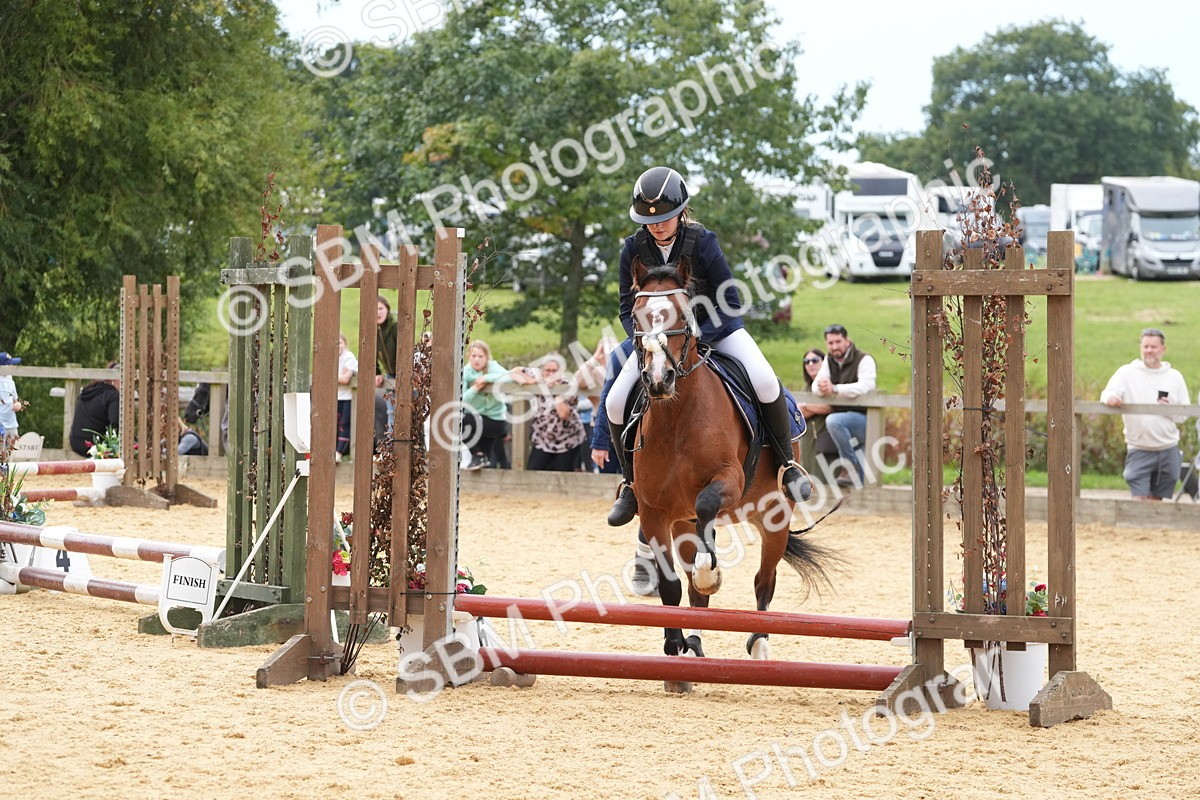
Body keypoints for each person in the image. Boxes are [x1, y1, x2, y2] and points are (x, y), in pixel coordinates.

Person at [604, 166, 809, 526]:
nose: (658, 225)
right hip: (657, 341)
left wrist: (698, 331)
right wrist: (643, 337)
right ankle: (630, 486)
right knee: (615, 400)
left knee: (763, 379)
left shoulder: (703, 242)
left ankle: (787, 465)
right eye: (651, 220)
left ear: (681, 212)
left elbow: (729, 296)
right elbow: (626, 305)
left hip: (717, 329)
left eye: (665, 218)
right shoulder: (633, 248)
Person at [1100, 327, 1190, 501]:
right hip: (1138, 447)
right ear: (1141, 348)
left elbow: (1184, 414)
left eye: (1153, 347)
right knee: (1138, 499)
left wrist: (1170, 408)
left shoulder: (1174, 377)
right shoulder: (1126, 372)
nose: (1149, 350)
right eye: (1145, 346)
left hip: (1168, 447)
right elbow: (1107, 393)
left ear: (1163, 349)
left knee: (1157, 502)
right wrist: (1111, 398)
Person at [812, 324, 877, 488]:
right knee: (862, 481)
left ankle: (848, 466)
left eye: (838, 342)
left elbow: (865, 387)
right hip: (845, 422)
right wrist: (823, 387)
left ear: (847, 341)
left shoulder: (864, 359)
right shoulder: (829, 360)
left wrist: (834, 388)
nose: (834, 346)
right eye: (830, 343)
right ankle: (853, 475)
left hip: (865, 419)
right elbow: (815, 387)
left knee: (834, 421)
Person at [511, 355, 587, 472]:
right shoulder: (536, 375)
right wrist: (531, 381)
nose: (550, 373)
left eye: (554, 371)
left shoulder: (567, 385)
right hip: (542, 438)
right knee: (534, 471)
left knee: (563, 474)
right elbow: (514, 372)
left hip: (567, 439)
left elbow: (563, 414)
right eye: (547, 370)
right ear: (542, 370)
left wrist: (556, 392)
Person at [461, 340, 510, 470]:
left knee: (459, 421)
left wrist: (487, 378)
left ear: (487, 357)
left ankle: (478, 454)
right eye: (473, 356)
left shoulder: (492, 367)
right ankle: (480, 457)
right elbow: (461, 400)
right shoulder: (466, 371)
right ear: (468, 357)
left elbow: (510, 377)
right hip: (476, 420)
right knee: (484, 462)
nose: (477, 360)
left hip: (495, 421)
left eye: (480, 356)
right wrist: (475, 389)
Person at [797, 347, 837, 481]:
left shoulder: (828, 383)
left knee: (826, 478)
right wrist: (810, 407)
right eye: (806, 361)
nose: (810, 364)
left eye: (814, 360)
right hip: (808, 441)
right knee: (808, 479)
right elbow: (799, 413)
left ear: (824, 362)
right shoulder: (806, 387)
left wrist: (805, 405)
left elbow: (828, 407)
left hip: (826, 440)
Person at [69, 362, 121, 458]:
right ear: (114, 379)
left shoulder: (90, 390)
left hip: (76, 440)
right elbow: (115, 423)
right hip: (93, 444)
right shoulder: (113, 396)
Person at [376, 297, 399, 435]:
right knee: (391, 412)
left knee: (408, 414)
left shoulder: (395, 327)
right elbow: (372, 353)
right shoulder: (375, 330)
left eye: (380, 308)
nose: (378, 313)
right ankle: (391, 449)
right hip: (390, 375)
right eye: (374, 310)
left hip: (405, 374)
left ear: (387, 309)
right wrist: (377, 373)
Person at [336, 331, 359, 461]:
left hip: (348, 396)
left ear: (344, 343)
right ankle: (336, 451)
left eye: (340, 342)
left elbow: (345, 379)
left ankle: (340, 452)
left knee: (345, 424)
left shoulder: (348, 357)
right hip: (337, 396)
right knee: (336, 423)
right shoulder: (333, 357)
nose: (338, 345)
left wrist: (335, 376)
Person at [0, 351, 27, 450]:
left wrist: (18, 405)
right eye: (9, 364)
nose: (12, 366)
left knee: (12, 451)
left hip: (11, 424)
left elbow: (15, 400)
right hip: (1, 425)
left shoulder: (10, 381)